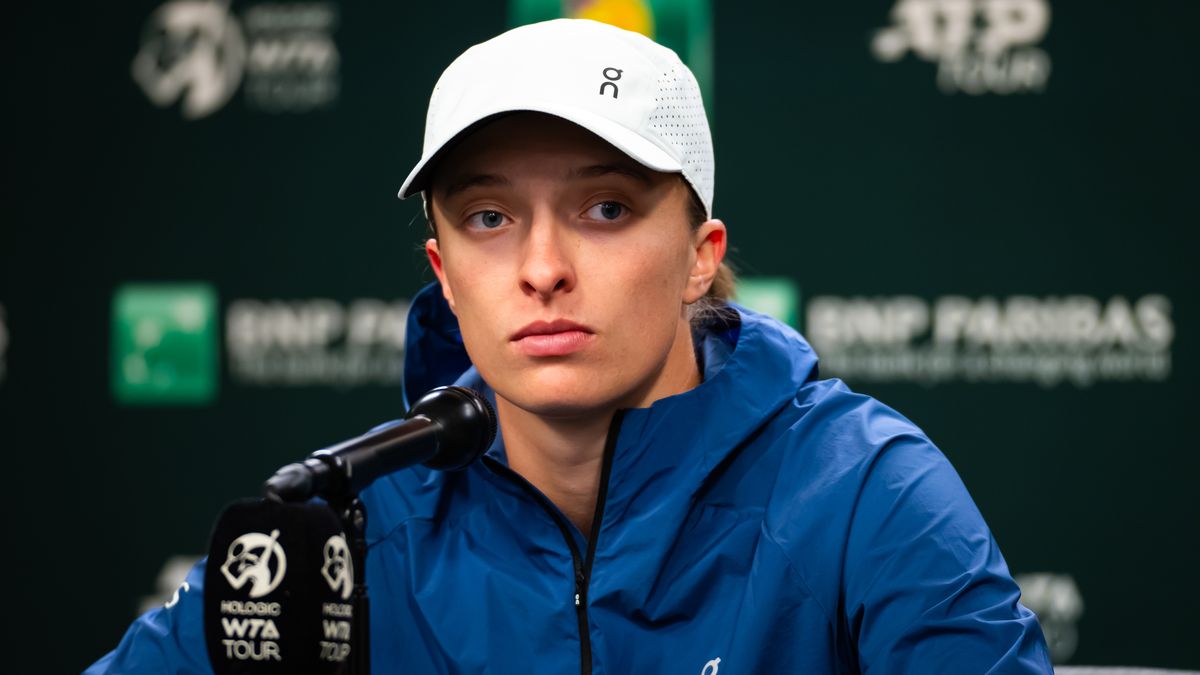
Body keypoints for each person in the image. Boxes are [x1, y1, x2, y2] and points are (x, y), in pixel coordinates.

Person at [88, 18, 1053, 674]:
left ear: (697, 257)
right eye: (490, 215)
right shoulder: (346, 530)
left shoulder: (863, 492)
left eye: (604, 207)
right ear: (444, 272)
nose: (542, 267)